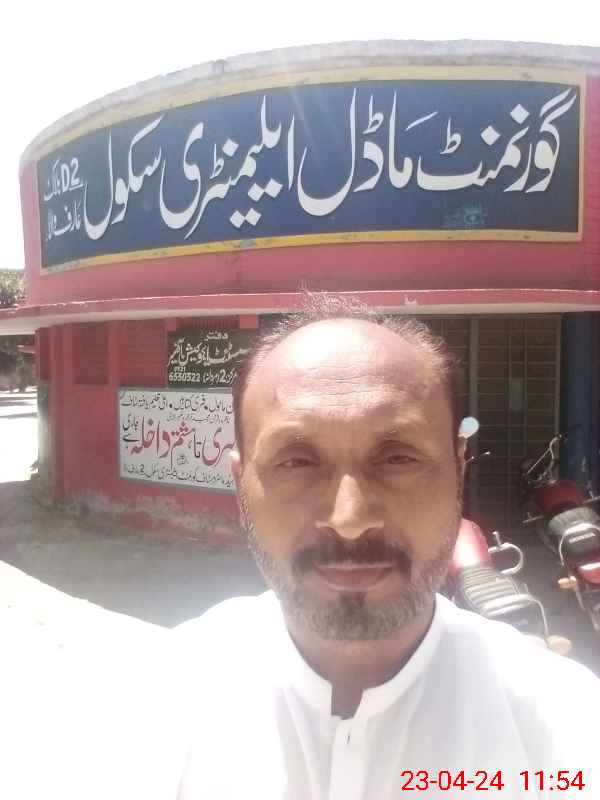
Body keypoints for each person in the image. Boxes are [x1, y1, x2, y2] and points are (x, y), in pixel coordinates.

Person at [175, 297, 599, 800]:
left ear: (459, 469)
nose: (350, 520)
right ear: (240, 481)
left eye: (397, 459)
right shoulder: (158, 701)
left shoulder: (564, 721)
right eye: (297, 462)